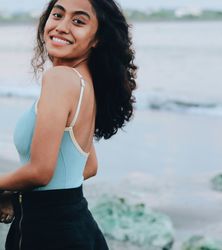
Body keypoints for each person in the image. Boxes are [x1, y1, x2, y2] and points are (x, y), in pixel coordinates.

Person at [0, 0, 137, 249]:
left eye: (78, 21)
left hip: (47, 231)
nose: (61, 27)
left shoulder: (60, 79)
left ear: (97, 38)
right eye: (57, 15)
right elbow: (90, 166)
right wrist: (16, 193)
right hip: (77, 224)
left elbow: (40, 172)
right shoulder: (85, 84)